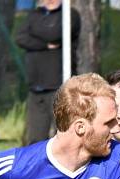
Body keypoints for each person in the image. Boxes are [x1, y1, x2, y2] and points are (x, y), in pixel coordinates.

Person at [15, 0, 80, 145]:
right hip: (36, 87)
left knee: (65, 134)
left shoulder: (70, 14)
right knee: (35, 139)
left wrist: (35, 35)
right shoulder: (34, 15)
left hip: (59, 86)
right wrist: (45, 45)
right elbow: (20, 38)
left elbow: (55, 34)